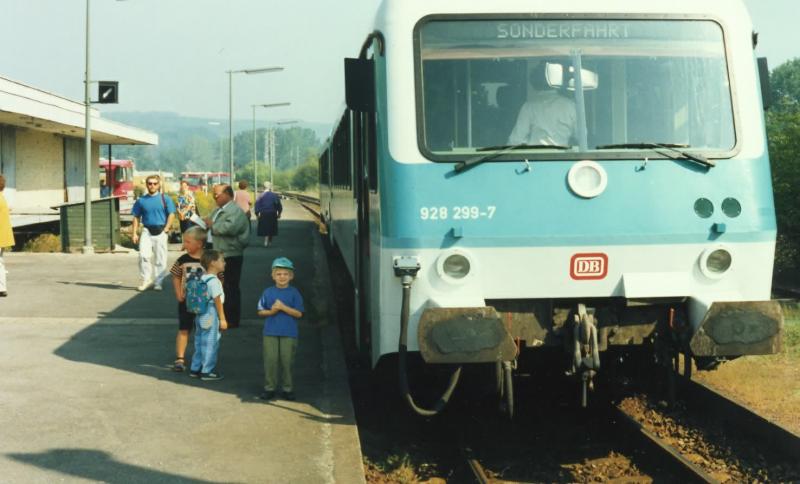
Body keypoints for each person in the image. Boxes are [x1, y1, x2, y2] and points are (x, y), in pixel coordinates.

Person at [257, 257, 304, 401]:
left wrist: (283, 307)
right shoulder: (268, 292)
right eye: (278, 274)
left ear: (291, 276)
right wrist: (271, 312)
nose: (282, 277)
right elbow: (260, 311)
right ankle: (269, 387)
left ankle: (287, 388)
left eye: (285, 274)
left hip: (289, 333)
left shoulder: (294, 292)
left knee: (287, 361)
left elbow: (299, 313)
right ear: (273, 276)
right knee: (270, 360)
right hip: (270, 332)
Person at [204, 184, 250, 328]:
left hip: (230, 254)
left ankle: (231, 319)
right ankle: (221, 317)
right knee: (218, 287)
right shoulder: (218, 210)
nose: (215, 197)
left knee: (230, 287)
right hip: (218, 253)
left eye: (218, 194)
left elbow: (229, 228)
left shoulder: (235, 211)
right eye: (213, 194)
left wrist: (211, 225)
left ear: (228, 194)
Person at [508, 61, 577, 147]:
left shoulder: (529, 107)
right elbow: (581, 136)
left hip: (535, 158)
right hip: (565, 158)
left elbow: (516, 140)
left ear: (535, 81)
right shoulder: (570, 106)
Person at [168, 226, 207, 372]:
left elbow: (219, 277)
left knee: (203, 330)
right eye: (184, 241)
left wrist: (216, 297)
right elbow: (176, 276)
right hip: (186, 302)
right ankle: (180, 358)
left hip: (205, 303)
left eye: (188, 242)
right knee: (184, 328)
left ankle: (204, 357)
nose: (184, 245)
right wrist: (179, 293)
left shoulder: (209, 259)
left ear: (199, 244)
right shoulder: (183, 260)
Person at [132, 175, 176, 291]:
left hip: (161, 230)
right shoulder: (141, 200)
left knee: (160, 258)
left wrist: (166, 228)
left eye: (155, 183)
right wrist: (134, 233)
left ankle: (158, 282)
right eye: (150, 183)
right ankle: (146, 279)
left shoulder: (165, 199)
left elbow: (171, 214)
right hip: (146, 230)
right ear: (146, 185)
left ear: (159, 184)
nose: (152, 185)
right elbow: (136, 217)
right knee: (143, 256)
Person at [189, 249, 228, 381]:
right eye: (222, 260)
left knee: (199, 341)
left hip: (200, 314)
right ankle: (207, 371)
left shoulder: (202, 278)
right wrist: (222, 319)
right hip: (211, 312)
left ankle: (195, 368)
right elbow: (217, 300)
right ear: (213, 263)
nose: (225, 263)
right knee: (211, 342)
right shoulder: (214, 281)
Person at [255, 181, 282, 247]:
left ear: (263, 187)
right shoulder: (274, 195)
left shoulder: (261, 195)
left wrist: (257, 214)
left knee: (265, 227)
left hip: (264, 213)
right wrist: (279, 213)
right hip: (272, 213)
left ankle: (266, 241)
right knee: (271, 227)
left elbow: (257, 205)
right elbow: (278, 205)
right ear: (270, 187)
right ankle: (270, 241)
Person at [0, 174, 15, 298]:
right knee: (0, 262)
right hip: (3, 236)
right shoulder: (2, 198)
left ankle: (2, 288)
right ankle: (2, 288)